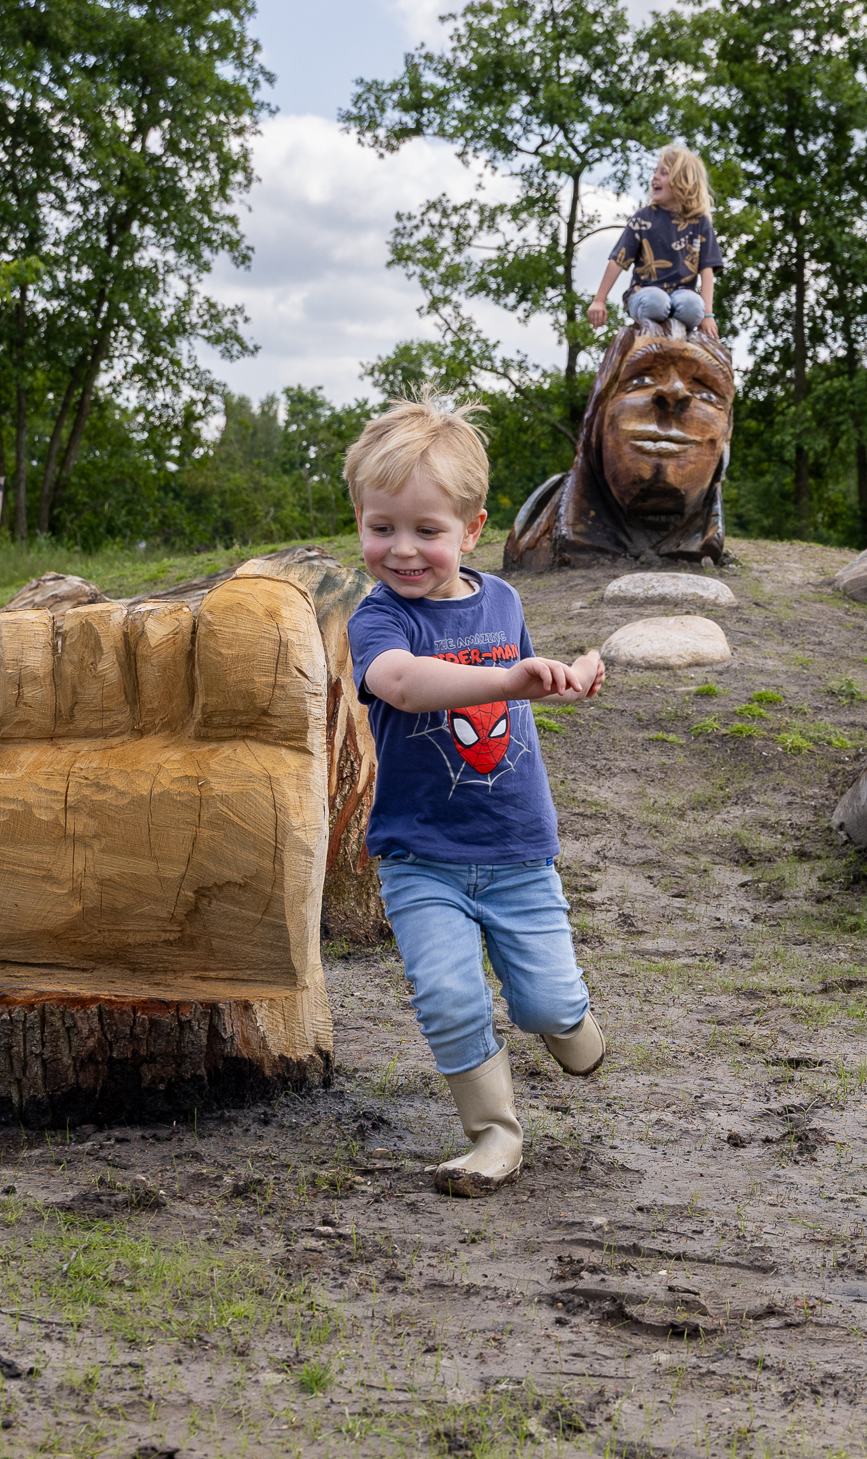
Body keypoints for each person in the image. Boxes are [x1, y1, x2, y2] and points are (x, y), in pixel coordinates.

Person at [344, 395, 609, 1197]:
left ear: (472, 527)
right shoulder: (377, 618)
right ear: (359, 520)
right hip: (421, 855)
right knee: (451, 997)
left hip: (518, 849)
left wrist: (569, 677)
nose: (402, 549)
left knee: (546, 1003)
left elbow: (523, 690)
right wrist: (509, 676)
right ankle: (494, 1135)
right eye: (381, 527)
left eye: (427, 530)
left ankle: (570, 1025)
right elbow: (402, 683)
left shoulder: (504, 602)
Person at [586, 142, 723, 339]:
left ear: (682, 181)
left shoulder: (700, 222)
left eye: (664, 173)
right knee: (656, 302)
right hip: (645, 294)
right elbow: (618, 260)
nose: (655, 178)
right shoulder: (643, 218)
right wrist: (599, 300)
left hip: (681, 296)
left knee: (693, 306)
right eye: (655, 172)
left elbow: (707, 270)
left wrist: (708, 315)